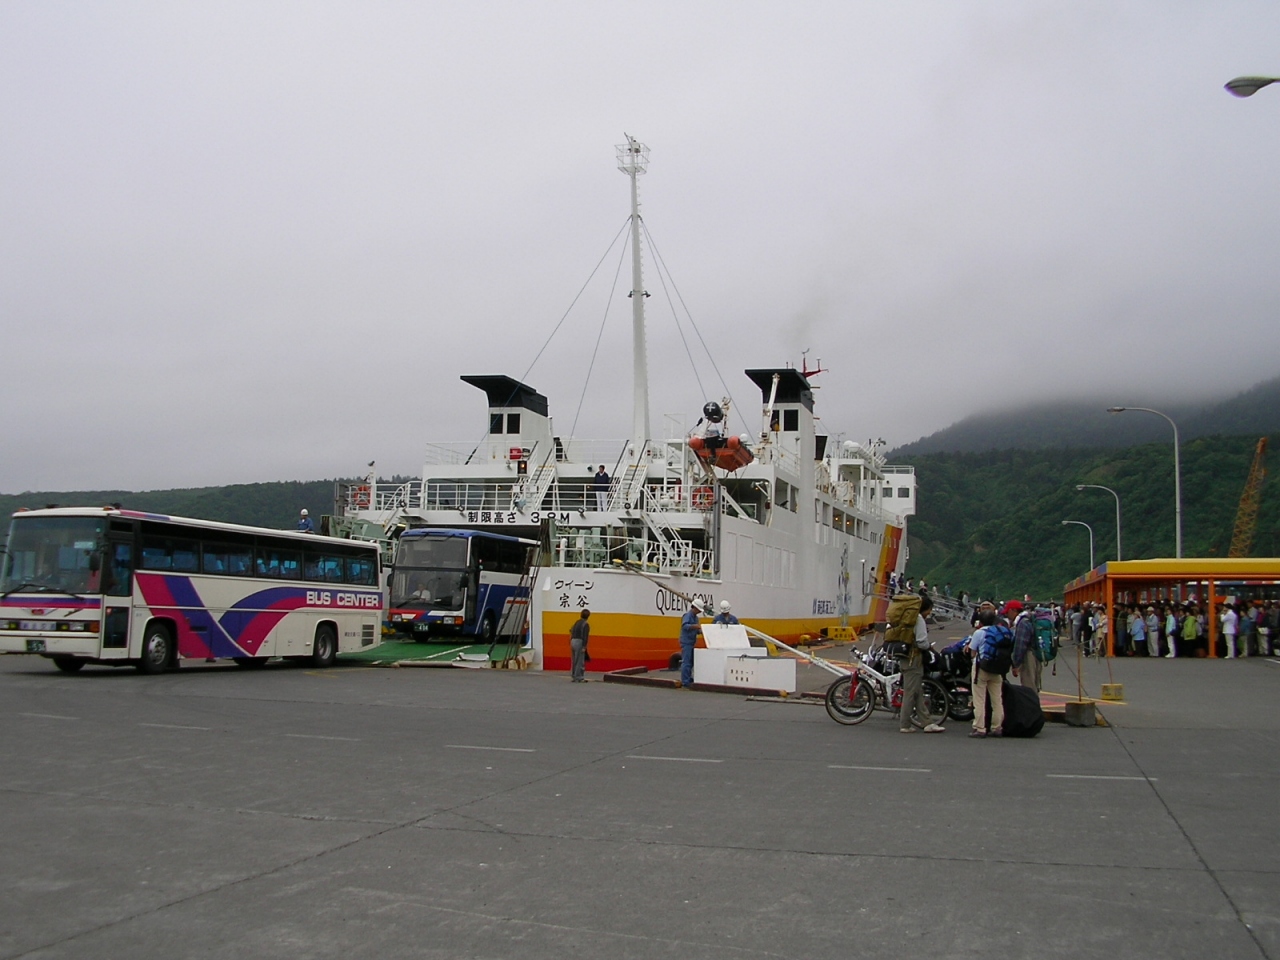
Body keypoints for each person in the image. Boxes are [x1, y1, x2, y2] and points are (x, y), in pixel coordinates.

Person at [897, 594, 945, 734]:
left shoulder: (906, 617)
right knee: (911, 693)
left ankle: (927, 723)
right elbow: (921, 642)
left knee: (917, 691)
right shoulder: (918, 620)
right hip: (914, 659)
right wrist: (929, 647)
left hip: (905, 657)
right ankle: (905, 724)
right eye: (929, 610)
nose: (929, 613)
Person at [967, 609, 1006, 738]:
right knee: (997, 699)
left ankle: (979, 728)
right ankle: (997, 727)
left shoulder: (979, 632)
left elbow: (972, 651)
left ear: (981, 622)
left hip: (981, 668)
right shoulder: (1000, 631)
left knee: (979, 699)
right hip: (997, 668)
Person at [1011, 604, 1041, 693]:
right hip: (1038, 653)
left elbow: (1020, 644)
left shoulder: (1023, 622)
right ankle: (1035, 700)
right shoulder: (1032, 619)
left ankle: (1031, 701)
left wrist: (1016, 664)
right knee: (1035, 683)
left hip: (1028, 655)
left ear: (1013, 611)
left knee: (1028, 686)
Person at [678, 599, 703, 688]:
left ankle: (688, 678)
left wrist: (701, 631)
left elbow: (696, 630)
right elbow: (685, 626)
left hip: (691, 642)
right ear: (695, 608)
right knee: (686, 662)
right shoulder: (687, 615)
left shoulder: (695, 618)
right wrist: (695, 626)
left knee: (691, 662)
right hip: (686, 642)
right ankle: (685, 681)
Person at [569, 609, 590, 681]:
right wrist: (584, 646)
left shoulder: (577, 622)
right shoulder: (585, 624)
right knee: (579, 660)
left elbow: (571, 630)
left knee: (574, 659)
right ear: (588, 616)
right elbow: (585, 636)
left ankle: (574, 675)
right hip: (579, 642)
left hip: (573, 641)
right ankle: (579, 677)